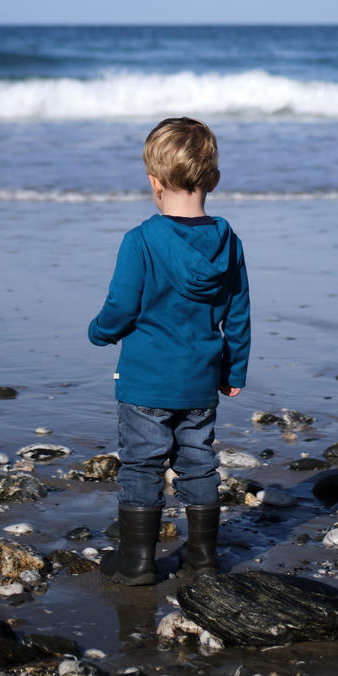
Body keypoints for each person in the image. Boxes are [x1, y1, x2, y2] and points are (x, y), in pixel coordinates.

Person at [88, 116, 250, 585]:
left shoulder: (140, 241)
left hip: (146, 380)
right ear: (213, 180)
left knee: (142, 461)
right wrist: (233, 369)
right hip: (200, 379)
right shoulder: (228, 243)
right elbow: (237, 313)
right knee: (198, 460)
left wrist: (101, 331)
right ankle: (203, 556)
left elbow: (122, 305)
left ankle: (137, 560)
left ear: (154, 183)